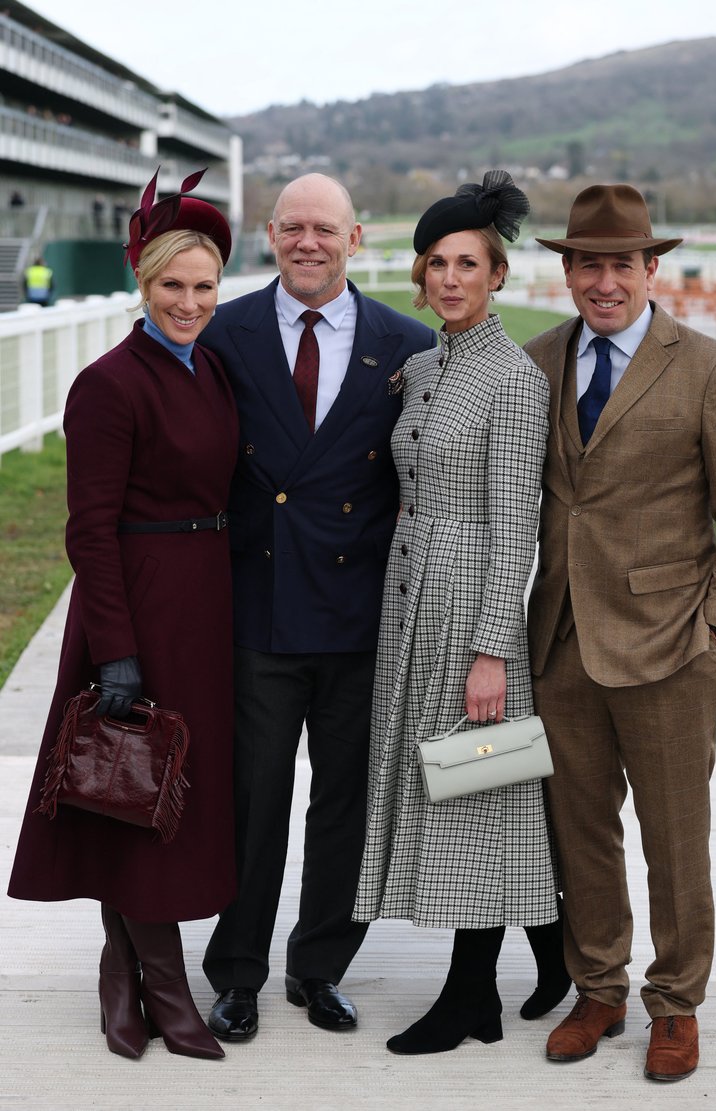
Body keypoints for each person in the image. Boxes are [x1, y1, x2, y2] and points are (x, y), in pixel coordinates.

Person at [525, 184, 716, 1081]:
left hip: (672, 646)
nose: (603, 281)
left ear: (650, 270)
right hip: (561, 645)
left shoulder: (709, 367)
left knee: (675, 838)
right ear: (566, 271)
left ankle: (676, 1002)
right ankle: (598, 987)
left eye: (620, 264)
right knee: (582, 831)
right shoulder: (539, 360)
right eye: (587, 263)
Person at [199, 173, 437, 1041]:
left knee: (346, 803)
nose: (307, 242)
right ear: (269, 234)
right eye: (292, 227)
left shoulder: (409, 347)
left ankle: (320, 965)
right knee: (253, 801)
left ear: (357, 238)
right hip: (257, 606)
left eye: (324, 229)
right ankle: (237, 973)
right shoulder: (222, 334)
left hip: (361, 615)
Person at [8, 168, 239, 1061]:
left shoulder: (212, 367)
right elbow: (87, 529)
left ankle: (120, 970)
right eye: (172, 286)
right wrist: (114, 650)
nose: (189, 302)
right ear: (144, 287)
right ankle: (168, 991)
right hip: (136, 606)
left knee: (152, 792)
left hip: (203, 599)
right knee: (133, 786)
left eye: (204, 286)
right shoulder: (109, 383)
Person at [352, 171, 568, 1055]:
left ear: (497, 275)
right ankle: (554, 952)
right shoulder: (427, 365)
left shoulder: (514, 379)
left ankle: (469, 995)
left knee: (474, 789)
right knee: (462, 782)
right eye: (436, 262)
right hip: (409, 598)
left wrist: (492, 651)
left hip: (473, 601)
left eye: (467, 263)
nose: (449, 277)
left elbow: (518, 523)